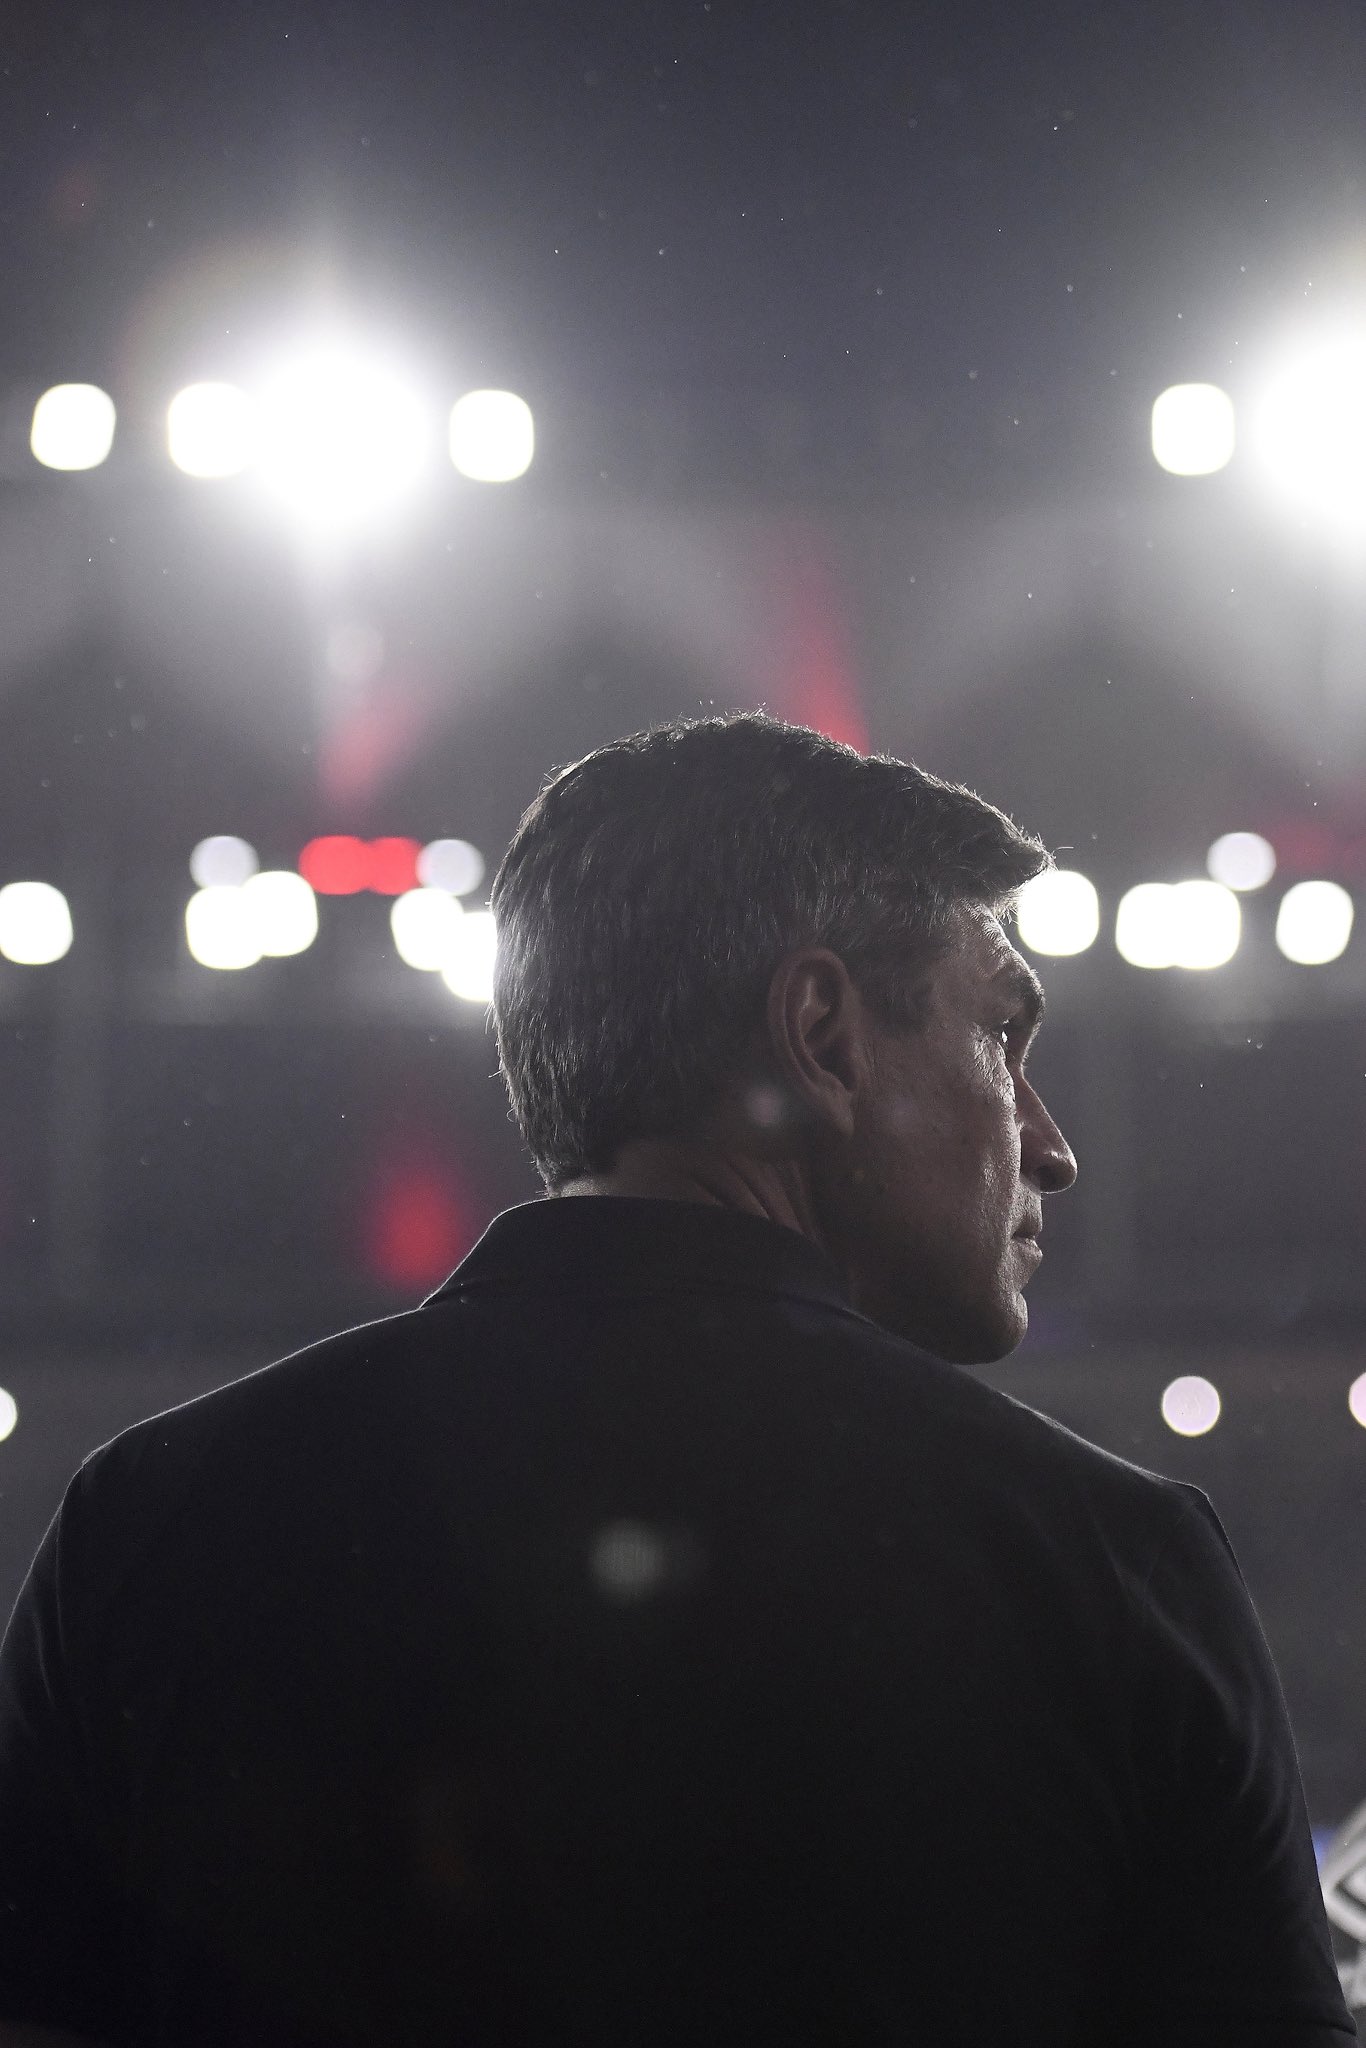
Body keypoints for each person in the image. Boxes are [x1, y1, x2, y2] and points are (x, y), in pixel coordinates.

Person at [0, 712, 1353, 2046]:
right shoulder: (1105, 1564)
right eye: (1001, 1038)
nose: (1048, 1144)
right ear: (822, 1035)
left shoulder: (148, 1522)